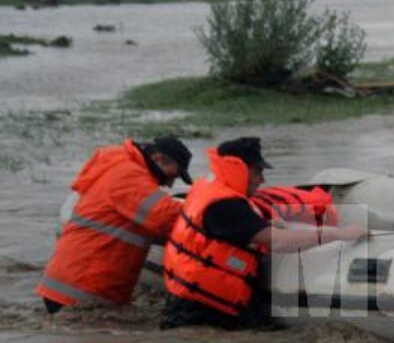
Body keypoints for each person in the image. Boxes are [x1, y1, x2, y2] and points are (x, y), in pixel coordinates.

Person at [160, 137, 366, 330]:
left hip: (193, 303)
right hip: (201, 313)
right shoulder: (225, 205)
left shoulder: (210, 191)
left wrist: (265, 224)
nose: (262, 179)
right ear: (240, 169)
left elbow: (231, 230)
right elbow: (278, 241)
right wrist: (339, 234)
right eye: (258, 171)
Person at [37, 136, 193, 313]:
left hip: (74, 286)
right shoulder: (128, 177)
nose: (170, 184)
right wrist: (206, 209)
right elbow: (166, 216)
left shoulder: (121, 168)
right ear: (158, 159)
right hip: (80, 290)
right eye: (172, 176)